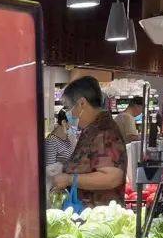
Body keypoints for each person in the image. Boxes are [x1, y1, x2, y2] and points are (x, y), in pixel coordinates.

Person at [51, 76, 127, 207]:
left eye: (69, 107)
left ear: (82, 103)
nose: (68, 113)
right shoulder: (92, 129)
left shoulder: (104, 132)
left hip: (98, 217)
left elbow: (112, 177)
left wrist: (70, 179)